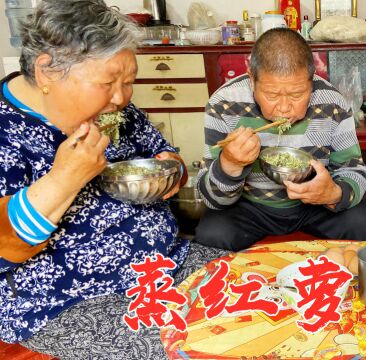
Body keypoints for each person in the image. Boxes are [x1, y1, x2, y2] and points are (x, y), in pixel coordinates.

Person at [0, 1, 225, 358]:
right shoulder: (7, 132)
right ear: (47, 71)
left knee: (262, 291)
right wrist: (65, 179)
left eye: (128, 82)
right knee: (201, 345)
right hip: (68, 301)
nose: (121, 97)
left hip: (165, 263)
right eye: (107, 83)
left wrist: (172, 171)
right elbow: (5, 247)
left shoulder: (117, 110)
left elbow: (168, 157)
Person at [195, 28, 366, 251]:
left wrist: (333, 193)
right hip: (249, 206)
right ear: (252, 79)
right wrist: (229, 166)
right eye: (272, 95)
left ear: (312, 81)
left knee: (362, 224)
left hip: (314, 206)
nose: (283, 108)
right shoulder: (223, 104)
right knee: (212, 233)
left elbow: (355, 170)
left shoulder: (333, 103)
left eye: (297, 94)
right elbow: (211, 199)